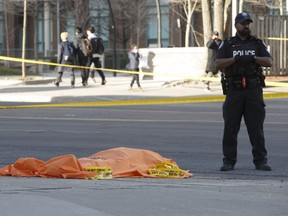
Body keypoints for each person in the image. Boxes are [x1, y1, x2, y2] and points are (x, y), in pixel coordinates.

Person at [215, 12, 273, 171]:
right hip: (234, 90)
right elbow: (218, 63)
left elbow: (268, 61)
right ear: (236, 25)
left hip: (253, 90)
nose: (246, 26)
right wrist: (234, 59)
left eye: (247, 23)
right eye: (242, 23)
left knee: (256, 127)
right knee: (231, 127)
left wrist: (254, 58)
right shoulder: (227, 44)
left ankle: (260, 160)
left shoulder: (257, 43)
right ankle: (228, 161)